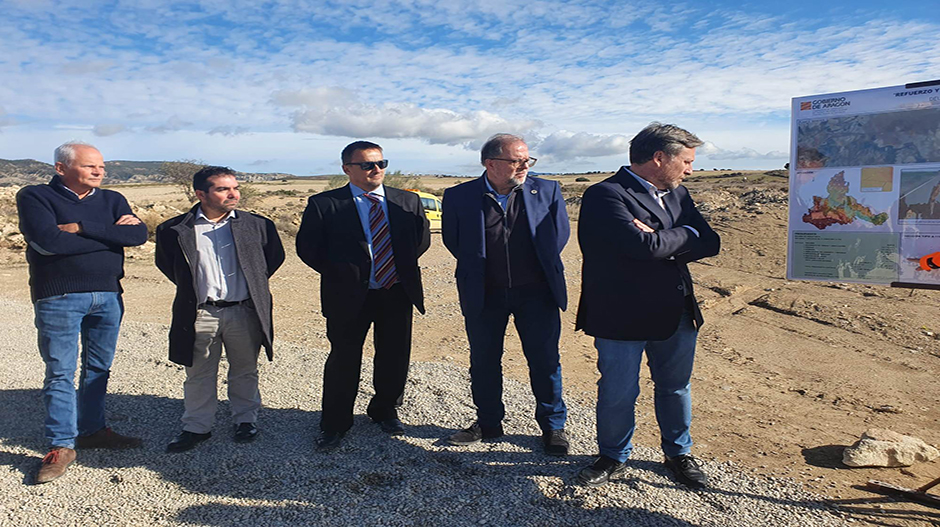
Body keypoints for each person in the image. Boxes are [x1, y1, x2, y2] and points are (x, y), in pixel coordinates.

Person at [575, 122, 720, 487]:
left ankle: (678, 454)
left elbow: (712, 242)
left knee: (675, 388)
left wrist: (665, 239)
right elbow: (643, 247)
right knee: (618, 391)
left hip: (676, 311)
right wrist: (686, 234)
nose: (690, 169)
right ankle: (613, 456)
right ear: (659, 157)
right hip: (621, 313)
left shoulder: (678, 195)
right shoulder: (605, 195)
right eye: (686, 161)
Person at [16, 141, 148, 484]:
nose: (99, 172)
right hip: (59, 296)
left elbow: (138, 235)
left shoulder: (113, 199)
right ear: (61, 168)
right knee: (60, 371)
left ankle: (92, 430)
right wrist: (111, 235)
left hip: (108, 294)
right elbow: (49, 242)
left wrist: (80, 227)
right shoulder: (35, 196)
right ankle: (61, 445)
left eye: (101, 167)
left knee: (98, 367)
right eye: (90, 166)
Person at [442, 134, 570, 455]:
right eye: (517, 160)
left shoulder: (548, 191)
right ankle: (489, 423)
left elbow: (559, 236)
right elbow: (454, 242)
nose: (525, 166)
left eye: (528, 159)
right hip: (484, 293)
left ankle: (553, 426)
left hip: (537, 293)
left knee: (545, 361)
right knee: (484, 362)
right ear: (491, 164)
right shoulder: (459, 196)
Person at [297, 141, 430, 451]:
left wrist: (394, 270)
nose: (377, 170)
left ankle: (384, 410)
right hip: (348, 296)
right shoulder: (324, 204)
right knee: (344, 359)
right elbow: (308, 249)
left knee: (395, 357)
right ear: (347, 169)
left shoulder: (407, 201)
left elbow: (419, 242)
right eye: (368, 165)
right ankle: (335, 423)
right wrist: (345, 273)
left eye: (381, 163)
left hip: (396, 291)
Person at [155, 166, 284, 452]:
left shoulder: (258, 225)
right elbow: (168, 266)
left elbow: (271, 261)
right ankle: (196, 427)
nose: (233, 194)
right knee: (198, 372)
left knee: (245, 369)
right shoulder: (175, 229)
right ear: (200, 193)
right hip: (201, 313)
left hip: (244, 311)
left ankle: (245, 421)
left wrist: (250, 284)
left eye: (235, 187)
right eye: (223, 189)